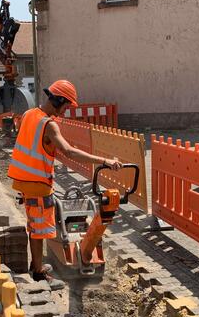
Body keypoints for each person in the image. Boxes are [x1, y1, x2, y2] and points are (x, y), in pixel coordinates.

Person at [7, 80, 122, 288]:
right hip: (37, 183)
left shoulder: (29, 115)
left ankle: (37, 265)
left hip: (23, 180)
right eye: (66, 105)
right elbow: (68, 151)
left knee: (35, 225)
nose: (66, 110)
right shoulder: (49, 125)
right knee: (39, 229)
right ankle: (38, 272)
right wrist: (104, 161)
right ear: (59, 100)